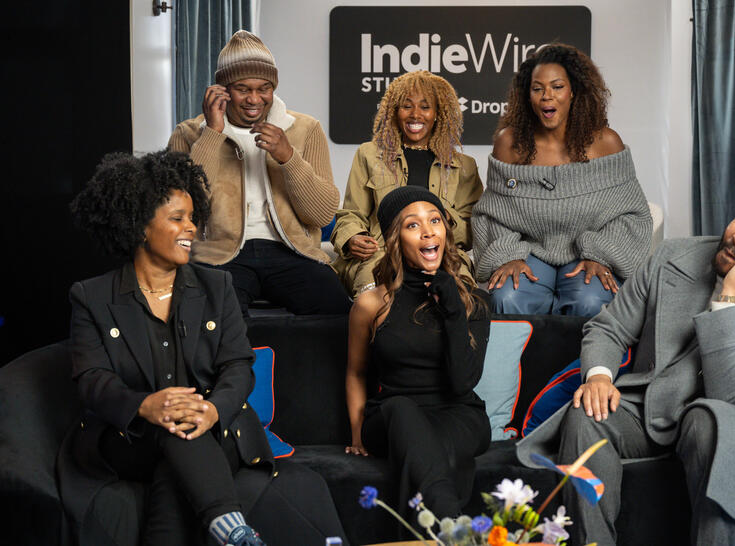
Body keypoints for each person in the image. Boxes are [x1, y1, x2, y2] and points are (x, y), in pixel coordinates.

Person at [60, 151, 347, 545]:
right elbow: (92, 380)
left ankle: (229, 530)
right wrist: (146, 406)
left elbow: (238, 366)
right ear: (139, 226)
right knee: (171, 429)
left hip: (216, 429)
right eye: (177, 218)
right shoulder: (91, 297)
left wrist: (212, 409)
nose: (191, 228)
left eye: (193, 218)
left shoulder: (217, 286)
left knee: (179, 444)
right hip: (132, 439)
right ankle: (233, 531)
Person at [517, 188, 735, 545]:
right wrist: (599, 377)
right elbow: (609, 328)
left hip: (730, 417)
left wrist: (729, 298)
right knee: (586, 413)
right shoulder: (674, 255)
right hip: (649, 404)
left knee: (706, 419)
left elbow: (729, 391)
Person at [168, 30, 350, 316]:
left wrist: (288, 157)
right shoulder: (189, 133)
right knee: (214, 322)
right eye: (243, 88)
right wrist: (212, 136)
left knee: (337, 313)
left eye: (264, 88)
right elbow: (184, 214)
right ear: (223, 88)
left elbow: (322, 215)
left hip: (292, 253)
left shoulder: (305, 129)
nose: (255, 99)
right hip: (220, 256)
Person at [472, 43, 652, 317]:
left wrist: (601, 255)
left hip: (587, 256)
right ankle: (519, 362)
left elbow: (630, 213)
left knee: (591, 302)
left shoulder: (606, 142)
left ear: (574, 92)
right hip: (529, 252)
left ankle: (586, 363)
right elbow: (493, 213)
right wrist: (508, 255)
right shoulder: (508, 143)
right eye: (537, 88)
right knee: (507, 296)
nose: (547, 97)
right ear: (526, 95)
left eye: (557, 87)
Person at [344, 186, 491, 518]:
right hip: (392, 417)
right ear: (396, 239)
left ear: (445, 231)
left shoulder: (474, 303)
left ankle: (437, 532)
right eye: (413, 225)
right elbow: (356, 373)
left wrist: (453, 306)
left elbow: (461, 383)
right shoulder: (370, 304)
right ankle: (454, 532)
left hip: (459, 413)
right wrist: (356, 432)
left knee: (441, 452)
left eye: (435, 220)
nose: (428, 231)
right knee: (402, 410)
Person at [332, 70, 483, 297]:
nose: (415, 115)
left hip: (439, 253)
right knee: (373, 299)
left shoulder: (464, 167)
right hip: (381, 253)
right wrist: (352, 237)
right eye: (406, 106)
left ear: (438, 113)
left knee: (463, 299)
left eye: (425, 107)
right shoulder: (369, 155)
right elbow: (351, 214)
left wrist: (444, 217)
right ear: (394, 111)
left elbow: (472, 232)